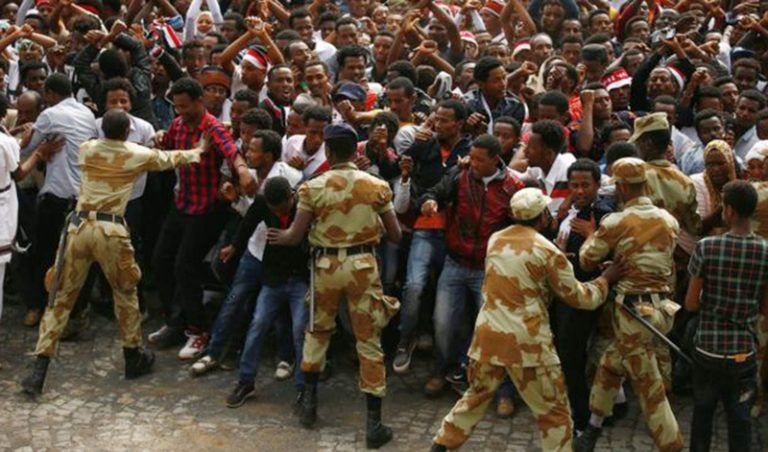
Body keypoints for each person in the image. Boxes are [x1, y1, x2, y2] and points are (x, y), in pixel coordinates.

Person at [20, 109, 207, 397]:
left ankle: (38, 369)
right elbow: (172, 159)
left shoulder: (87, 149)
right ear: (126, 132)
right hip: (111, 231)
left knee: (60, 299)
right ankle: (133, 356)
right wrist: (200, 149)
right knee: (125, 293)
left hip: (78, 228)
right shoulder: (136, 153)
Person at [430, 188, 626, 452]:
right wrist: (606, 279)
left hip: (489, 336)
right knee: (554, 413)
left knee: (474, 398)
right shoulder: (548, 252)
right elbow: (582, 298)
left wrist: (554, 264)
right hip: (528, 343)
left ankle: (440, 446)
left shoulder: (496, 239)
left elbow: (522, 269)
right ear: (543, 215)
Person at [267, 123, 401, 449]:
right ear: (356, 150)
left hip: (325, 266)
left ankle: (309, 404)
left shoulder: (312, 188)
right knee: (368, 340)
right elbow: (396, 235)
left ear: (327, 151)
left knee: (318, 331)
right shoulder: (377, 186)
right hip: (363, 266)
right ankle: (374, 423)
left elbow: (295, 236)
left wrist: (280, 237)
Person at [576, 157, 683, 452]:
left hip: (634, 313)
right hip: (661, 308)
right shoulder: (668, 220)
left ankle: (672, 445)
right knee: (609, 365)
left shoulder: (616, 222)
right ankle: (592, 431)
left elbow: (587, 259)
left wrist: (589, 235)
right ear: (645, 184)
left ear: (622, 188)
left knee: (650, 388)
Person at [148, 78, 255, 359]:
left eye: (185, 106)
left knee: (186, 264)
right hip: (181, 204)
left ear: (199, 102)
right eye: (177, 107)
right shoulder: (177, 125)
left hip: (207, 210)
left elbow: (232, 153)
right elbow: (167, 149)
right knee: (160, 260)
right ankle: (176, 320)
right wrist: (160, 137)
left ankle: (198, 330)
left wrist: (243, 172)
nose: (181, 112)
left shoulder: (214, 128)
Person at [685, 180, 768, 452]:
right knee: (740, 421)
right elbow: (765, 309)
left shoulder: (707, 247)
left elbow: (691, 304)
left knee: (703, 415)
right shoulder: (765, 252)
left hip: (707, 350)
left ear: (729, 210)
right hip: (743, 352)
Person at [22, 73, 99, 328]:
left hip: (56, 195)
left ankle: (44, 305)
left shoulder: (49, 115)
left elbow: (26, 149)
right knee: (78, 258)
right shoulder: (87, 115)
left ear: (51, 94)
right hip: (83, 196)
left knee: (43, 253)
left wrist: (31, 143)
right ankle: (75, 311)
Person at [225, 177, 309, 409]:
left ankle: (304, 388)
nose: (279, 213)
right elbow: (248, 224)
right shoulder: (263, 203)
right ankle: (246, 380)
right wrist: (234, 246)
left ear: (290, 198)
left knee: (300, 329)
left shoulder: (305, 204)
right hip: (273, 277)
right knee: (258, 322)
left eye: (282, 209)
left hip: (299, 277)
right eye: (275, 210)